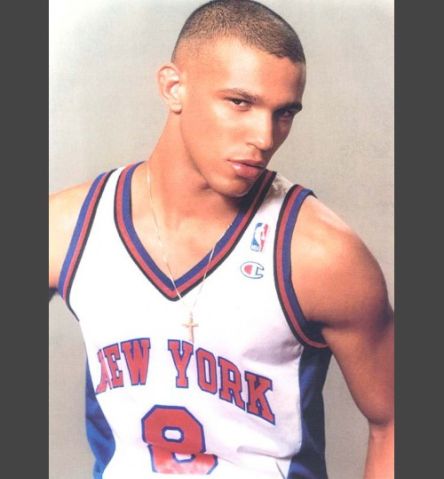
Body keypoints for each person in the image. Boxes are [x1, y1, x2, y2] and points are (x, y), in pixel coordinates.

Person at [49, 1, 394, 478]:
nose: (265, 136)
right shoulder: (67, 228)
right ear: (173, 87)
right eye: (240, 102)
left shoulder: (320, 254)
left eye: (284, 113)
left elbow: (394, 421)